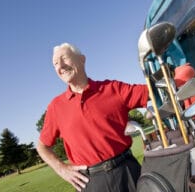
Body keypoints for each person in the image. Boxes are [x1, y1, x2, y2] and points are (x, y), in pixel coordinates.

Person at [36, 42, 149, 192]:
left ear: (82, 59)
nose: (60, 66)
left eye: (64, 58)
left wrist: (181, 73)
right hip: (90, 183)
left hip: (127, 172)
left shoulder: (112, 88)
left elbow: (151, 91)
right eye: (55, 63)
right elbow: (42, 146)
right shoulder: (55, 107)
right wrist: (61, 169)